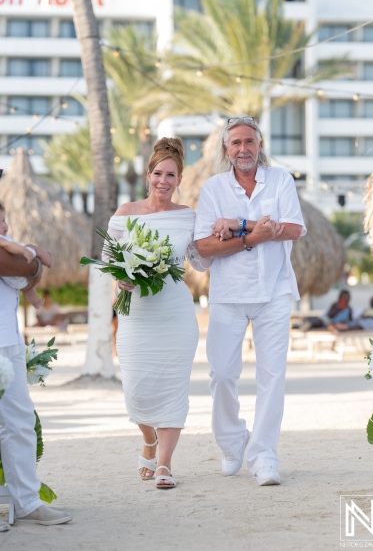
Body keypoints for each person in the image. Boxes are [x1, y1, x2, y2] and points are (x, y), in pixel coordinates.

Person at [194, 115, 306, 487]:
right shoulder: (213, 188)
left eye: (250, 142)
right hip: (228, 294)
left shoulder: (281, 179)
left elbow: (293, 228)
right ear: (227, 150)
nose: (244, 149)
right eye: (236, 143)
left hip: (274, 291)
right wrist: (256, 230)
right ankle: (232, 443)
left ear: (260, 146)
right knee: (222, 374)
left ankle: (264, 457)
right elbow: (205, 245)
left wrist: (238, 225)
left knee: (272, 377)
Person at [104, 137, 211, 489]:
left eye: (171, 175)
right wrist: (122, 281)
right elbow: (108, 262)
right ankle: (148, 439)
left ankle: (164, 462)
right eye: (158, 174)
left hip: (175, 314)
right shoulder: (124, 213)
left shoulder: (188, 216)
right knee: (136, 389)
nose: (164, 181)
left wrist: (219, 234)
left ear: (179, 180)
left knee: (173, 387)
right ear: (148, 175)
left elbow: (199, 260)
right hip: (136, 313)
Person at [0, 244, 72, 530]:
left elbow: (26, 273)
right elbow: (25, 268)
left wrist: (30, 265)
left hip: (10, 343)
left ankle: (28, 502)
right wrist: (31, 260)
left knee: (21, 422)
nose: (4, 227)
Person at [0, 202, 53, 310]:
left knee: (26, 287)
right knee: (31, 247)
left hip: (12, 281)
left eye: (3, 220)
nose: (4, 225)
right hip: (18, 273)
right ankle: (48, 259)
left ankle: (36, 302)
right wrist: (24, 251)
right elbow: (9, 245)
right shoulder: (2, 240)